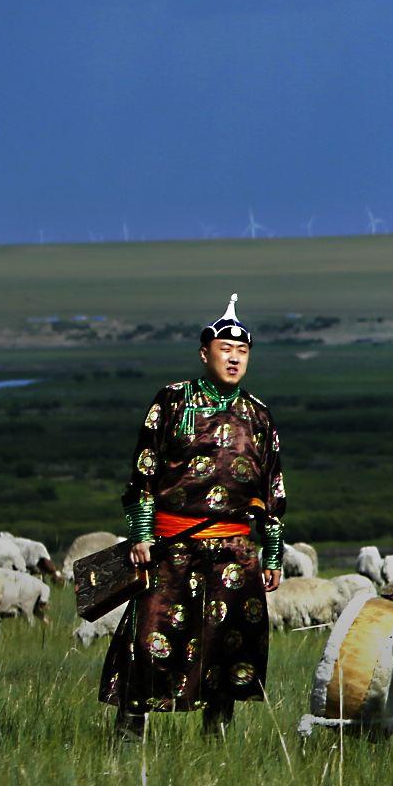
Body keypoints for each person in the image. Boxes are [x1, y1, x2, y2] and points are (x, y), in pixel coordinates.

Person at [100, 295, 289, 741]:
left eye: (243, 352)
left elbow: (273, 489)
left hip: (235, 551)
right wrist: (141, 534)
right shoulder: (171, 400)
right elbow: (144, 469)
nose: (235, 358)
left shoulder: (259, 415)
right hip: (172, 544)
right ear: (205, 353)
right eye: (226, 350)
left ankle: (215, 746)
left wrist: (274, 552)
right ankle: (128, 739)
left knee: (230, 647)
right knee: (149, 640)